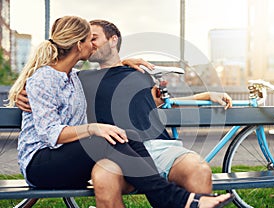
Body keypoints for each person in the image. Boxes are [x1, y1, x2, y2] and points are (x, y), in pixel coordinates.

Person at [8, 16, 233, 208]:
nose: (92, 45)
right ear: (78, 44)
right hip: (51, 159)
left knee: (120, 135)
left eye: (95, 38)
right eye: (89, 40)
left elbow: (161, 101)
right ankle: (176, 199)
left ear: (113, 40)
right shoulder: (72, 78)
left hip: (116, 150)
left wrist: (125, 64)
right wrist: (22, 95)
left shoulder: (76, 78)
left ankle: (180, 200)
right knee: (109, 138)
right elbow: (47, 119)